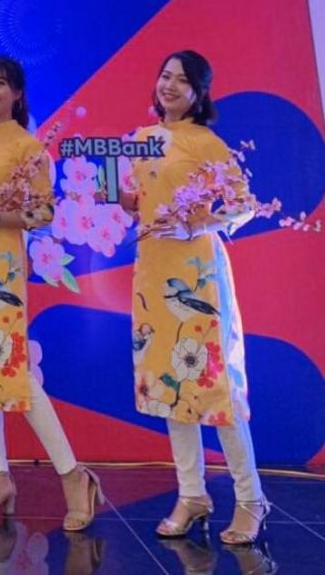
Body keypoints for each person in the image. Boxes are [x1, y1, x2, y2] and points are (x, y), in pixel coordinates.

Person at [0, 55, 104, 529]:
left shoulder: (29, 147)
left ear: (17, 93)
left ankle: (73, 475)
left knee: (12, 370)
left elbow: (43, 213)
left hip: (0, 267)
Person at [124, 49, 269, 545]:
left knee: (217, 389)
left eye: (181, 80)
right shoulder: (141, 140)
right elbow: (141, 202)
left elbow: (244, 205)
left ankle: (251, 499)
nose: (169, 85)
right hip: (153, 274)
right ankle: (192, 494)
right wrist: (120, 195)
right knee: (170, 386)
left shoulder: (206, 142)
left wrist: (197, 224)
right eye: (164, 75)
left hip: (198, 275)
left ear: (198, 92)